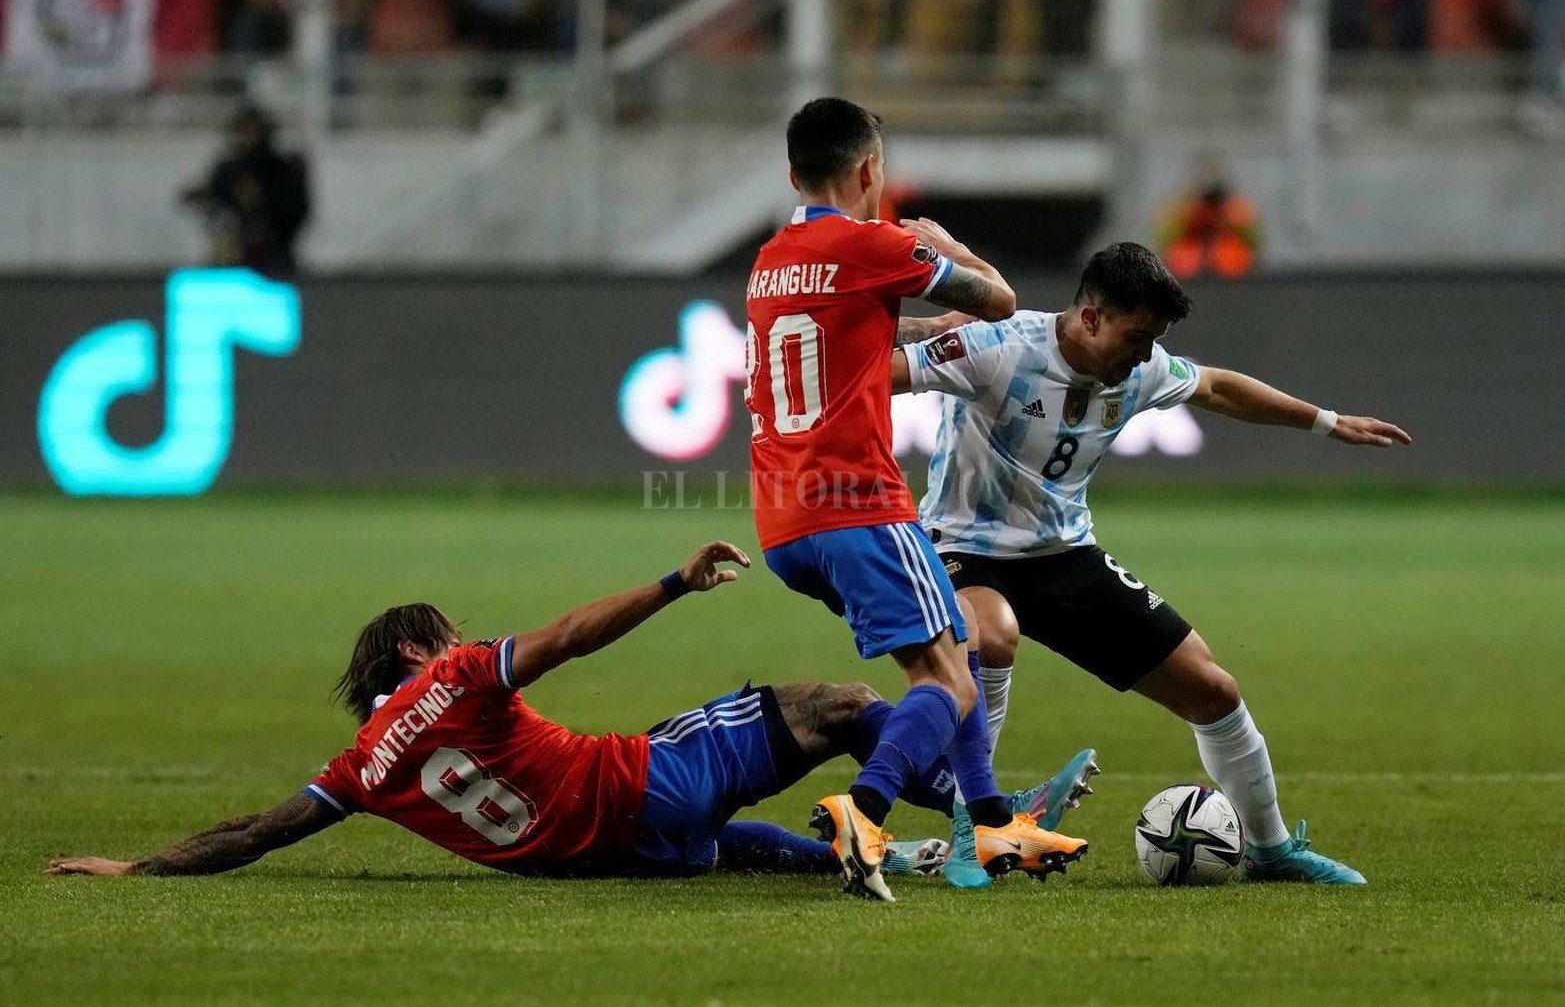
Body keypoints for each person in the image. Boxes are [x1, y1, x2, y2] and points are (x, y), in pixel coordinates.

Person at [46, 541, 1086, 885]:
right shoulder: (448, 675)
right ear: (415, 648)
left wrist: (138, 867)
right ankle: (974, 824)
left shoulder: (361, 765)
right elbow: (570, 637)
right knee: (840, 700)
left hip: (603, 852)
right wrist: (671, 584)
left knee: (732, 844)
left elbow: (258, 831)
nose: (463, 635)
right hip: (635, 783)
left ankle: (889, 855)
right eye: (446, 630)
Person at [892, 242, 1413, 885]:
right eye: (1137, 338)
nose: (1145, 356)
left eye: (1154, 342)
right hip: (963, 549)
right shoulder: (1002, 348)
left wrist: (1328, 423)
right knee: (992, 635)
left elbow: (1217, 385)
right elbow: (879, 374)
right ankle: (978, 827)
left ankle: (1272, 851)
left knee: (1214, 690)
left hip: (1064, 554)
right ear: (1089, 318)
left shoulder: (1137, 368)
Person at [745, 96, 1089, 902]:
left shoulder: (770, 260)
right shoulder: (874, 244)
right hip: (857, 503)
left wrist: (913, 326)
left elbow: (848, 327)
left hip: (783, 518)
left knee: (955, 646)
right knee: (949, 682)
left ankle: (994, 820)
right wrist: (946, 246)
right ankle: (861, 814)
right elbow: (1000, 305)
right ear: (869, 171)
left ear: (794, 173)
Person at [178, 104, 311, 278]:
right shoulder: (229, 169)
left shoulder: (282, 169)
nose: (245, 138)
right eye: (241, 131)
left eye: (251, 131)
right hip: (232, 256)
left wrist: (261, 203)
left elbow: (295, 213)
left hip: (274, 257)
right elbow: (212, 200)